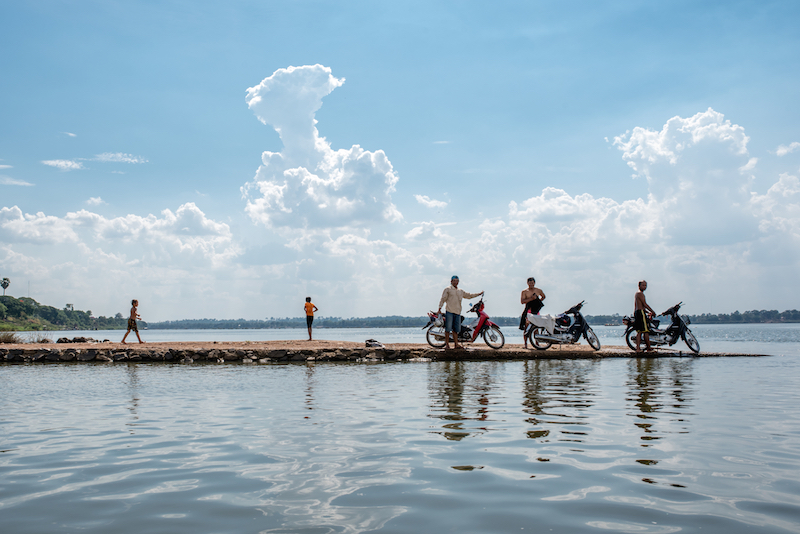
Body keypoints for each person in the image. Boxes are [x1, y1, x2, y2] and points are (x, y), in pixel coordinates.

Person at [437, 276, 484, 350]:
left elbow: (469, 296)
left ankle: (456, 344)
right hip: (449, 311)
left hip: (457, 312)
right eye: (454, 281)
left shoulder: (460, 291)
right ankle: (447, 345)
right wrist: (439, 308)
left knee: (456, 329)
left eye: (457, 281)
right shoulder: (448, 289)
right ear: (451, 281)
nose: (456, 282)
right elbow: (443, 299)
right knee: (448, 329)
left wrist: (478, 294)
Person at [519, 277, 546, 349]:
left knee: (536, 327)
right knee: (526, 327)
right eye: (529, 283)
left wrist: (538, 302)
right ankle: (525, 344)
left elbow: (543, 296)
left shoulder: (538, 290)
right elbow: (522, 301)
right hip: (528, 310)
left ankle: (537, 344)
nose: (531, 284)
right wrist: (531, 299)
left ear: (534, 283)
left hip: (535, 311)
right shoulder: (524, 291)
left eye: (532, 283)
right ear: (527, 283)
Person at [633, 280, 656, 352]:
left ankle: (641, 348)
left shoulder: (637, 294)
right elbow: (645, 304)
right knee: (645, 331)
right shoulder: (640, 294)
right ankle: (646, 348)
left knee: (640, 331)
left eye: (645, 285)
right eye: (643, 285)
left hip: (639, 312)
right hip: (640, 313)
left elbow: (640, 305)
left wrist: (647, 312)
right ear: (639, 286)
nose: (645, 287)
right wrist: (652, 311)